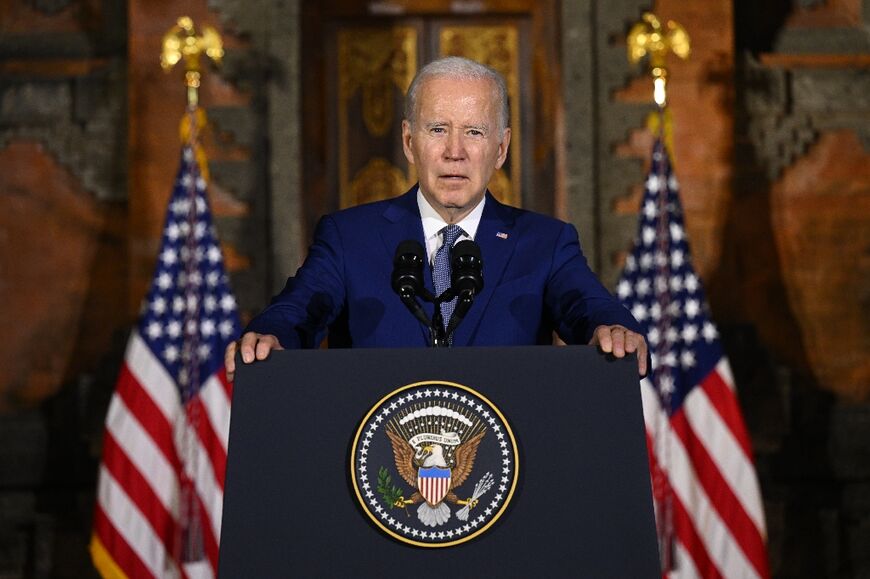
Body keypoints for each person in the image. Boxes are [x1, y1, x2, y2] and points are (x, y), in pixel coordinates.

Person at [225, 56, 647, 379]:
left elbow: (588, 305)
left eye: (475, 132)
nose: (454, 152)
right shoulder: (349, 238)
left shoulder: (545, 244)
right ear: (410, 142)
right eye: (438, 129)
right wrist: (272, 336)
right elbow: (301, 308)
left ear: (501, 149)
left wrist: (611, 329)